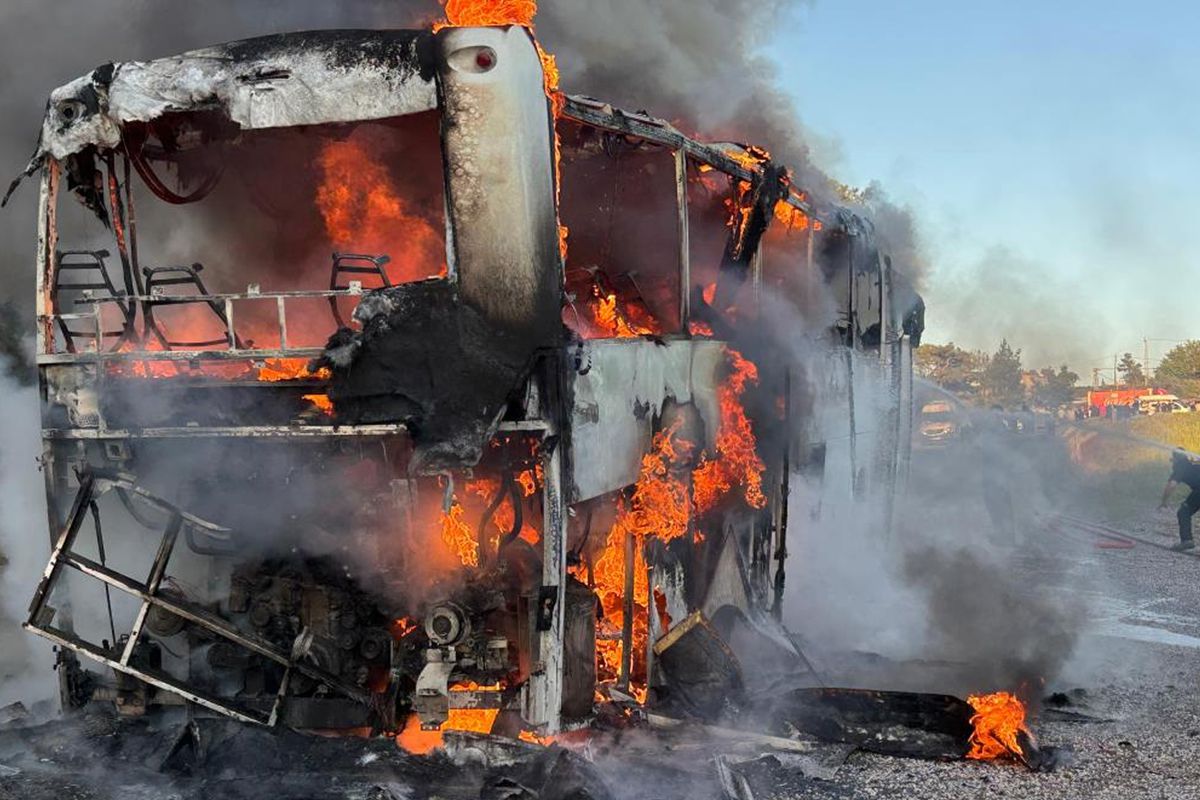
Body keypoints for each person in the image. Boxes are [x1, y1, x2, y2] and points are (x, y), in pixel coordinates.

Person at [1159, 449, 1200, 551]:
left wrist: (1163, 502)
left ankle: (1187, 541)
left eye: (1173, 459)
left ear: (1176, 459)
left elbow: (1171, 485)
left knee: (1184, 512)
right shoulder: (1192, 463)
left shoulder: (1180, 467)